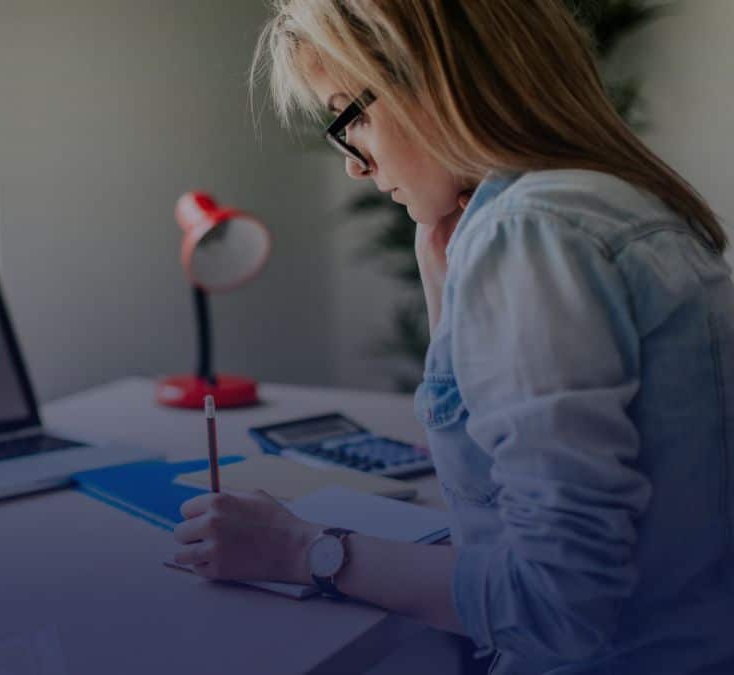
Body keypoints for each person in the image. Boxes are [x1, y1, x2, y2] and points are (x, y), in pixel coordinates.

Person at [171, 1, 734, 673]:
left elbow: (558, 604)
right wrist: (444, 285)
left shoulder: (529, 231)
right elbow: (504, 506)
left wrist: (300, 549)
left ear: (429, 77)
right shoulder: (625, 207)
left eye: (350, 116)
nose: (355, 165)